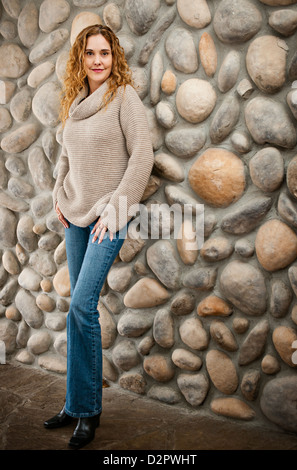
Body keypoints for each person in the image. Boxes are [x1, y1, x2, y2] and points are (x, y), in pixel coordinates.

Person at [43, 24, 154, 449]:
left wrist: (117, 207)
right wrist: (57, 192)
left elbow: (142, 156)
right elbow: (64, 155)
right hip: (75, 215)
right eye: (90, 53)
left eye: (105, 53)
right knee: (77, 308)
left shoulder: (124, 97)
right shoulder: (74, 103)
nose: (98, 60)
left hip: (111, 213)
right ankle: (74, 403)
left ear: (114, 57)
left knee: (83, 307)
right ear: (81, 59)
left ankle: (87, 410)